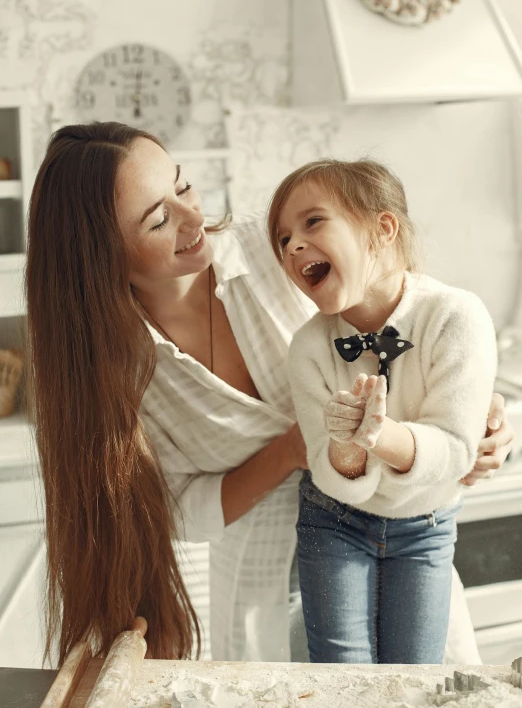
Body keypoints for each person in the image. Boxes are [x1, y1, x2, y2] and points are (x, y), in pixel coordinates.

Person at [25, 122, 513, 667]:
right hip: (268, 602)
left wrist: (476, 417)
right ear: (101, 254)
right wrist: (287, 451)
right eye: (159, 219)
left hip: (398, 554)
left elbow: (404, 311)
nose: (193, 220)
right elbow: (182, 511)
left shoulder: (279, 247)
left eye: (183, 187)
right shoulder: (116, 374)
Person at [267, 159, 499, 665]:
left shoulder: (456, 317)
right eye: (283, 239)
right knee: (343, 679)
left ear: (382, 228)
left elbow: (457, 451)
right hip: (333, 522)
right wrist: (348, 444)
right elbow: (331, 473)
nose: (293, 246)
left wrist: (381, 434)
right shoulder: (308, 347)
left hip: (426, 526)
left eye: (312, 222)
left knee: (412, 676)